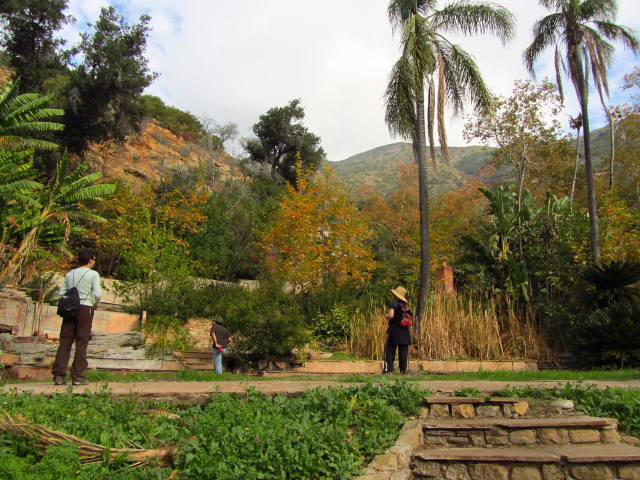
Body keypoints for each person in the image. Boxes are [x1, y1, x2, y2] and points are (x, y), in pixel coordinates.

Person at [51, 248, 102, 386]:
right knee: (82, 341)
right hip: (85, 308)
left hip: (69, 309)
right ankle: (78, 376)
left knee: (65, 341)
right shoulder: (93, 274)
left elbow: (62, 292)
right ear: (91, 260)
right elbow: (97, 294)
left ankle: (59, 375)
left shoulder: (70, 274)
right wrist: (96, 304)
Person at [383, 286, 412, 374]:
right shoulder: (406, 306)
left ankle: (388, 369)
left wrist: (386, 315)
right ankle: (403, 370)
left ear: (396, 295)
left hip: (395, 330)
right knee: (403, 350)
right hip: (405, 331)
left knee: (389, 349)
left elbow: (391, 315)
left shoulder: (393, 304)